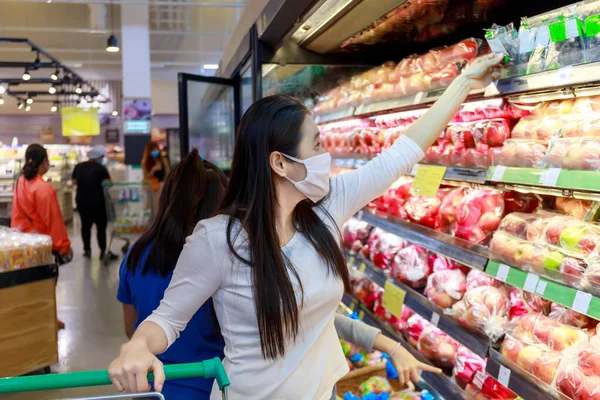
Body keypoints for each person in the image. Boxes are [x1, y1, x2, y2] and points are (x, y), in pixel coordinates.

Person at [108, 54, 501, 399]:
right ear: (280, 163)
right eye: (315, 145)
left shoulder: (326, 208)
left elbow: (401, 153)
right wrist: (138, 346)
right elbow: (166, 319)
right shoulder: (217, 239)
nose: (325, 155)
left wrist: (465, 81)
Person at [117, 150, 423, 399]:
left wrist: (140, 346)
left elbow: (134, 326)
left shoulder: (137, 255)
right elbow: (296, 317)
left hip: (159, 385)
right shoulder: (224, 254)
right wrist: (388, 344)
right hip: (217, 384)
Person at [12, 144, 73, 329]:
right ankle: (48, 319)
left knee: (29, 285)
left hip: (22, 241)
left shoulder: (20, 182)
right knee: (47, 283)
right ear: (44, 162)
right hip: (43, 244)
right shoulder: (44, 189)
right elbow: (53, 222)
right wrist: (63, 246)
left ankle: (36, 319)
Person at [72, 145, 116, 261]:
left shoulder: (78, 167)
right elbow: (109, 183)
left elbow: (73, 181)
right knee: (101, 228)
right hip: (98, 202)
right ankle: (102, 251)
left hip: (82, 201)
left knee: (85, 227)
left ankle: (87, 250)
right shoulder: (101, 168)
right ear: (99, 157)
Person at [142, 141, 169, 211]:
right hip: (151, 188)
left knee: (160, 207)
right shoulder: (145, 162)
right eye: (152, 150)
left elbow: (167, 174)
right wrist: (153, 170)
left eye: (156, 149)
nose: (155, 151)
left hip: (161, 187)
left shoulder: (163, 160)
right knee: (152, 207)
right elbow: (146, 177)